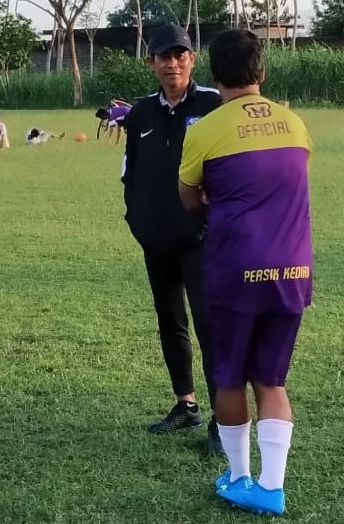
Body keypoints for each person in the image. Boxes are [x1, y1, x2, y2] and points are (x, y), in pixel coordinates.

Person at [178, 29, 313, 516]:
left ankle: (237, 477)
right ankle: (271, 488)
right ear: (263, 72)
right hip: (294, 268)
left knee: (230, 377)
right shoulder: (295, 124)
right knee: (272, 381)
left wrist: (212, 195)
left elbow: (189, 198)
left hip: (235, 268)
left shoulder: (206, 129)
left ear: (215, 78)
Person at [121, 23, 223, 454]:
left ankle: (225, 419)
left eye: (180, 54)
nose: (172, 62)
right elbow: (130, 170)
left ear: (192, 59)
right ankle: (186, 403)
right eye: (164, 56)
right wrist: (137, 219)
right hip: (155, 240)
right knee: (170, 322)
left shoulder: (214, 104)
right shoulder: (141, 112)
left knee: (210, 327)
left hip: (201, 240)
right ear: (152, 63)